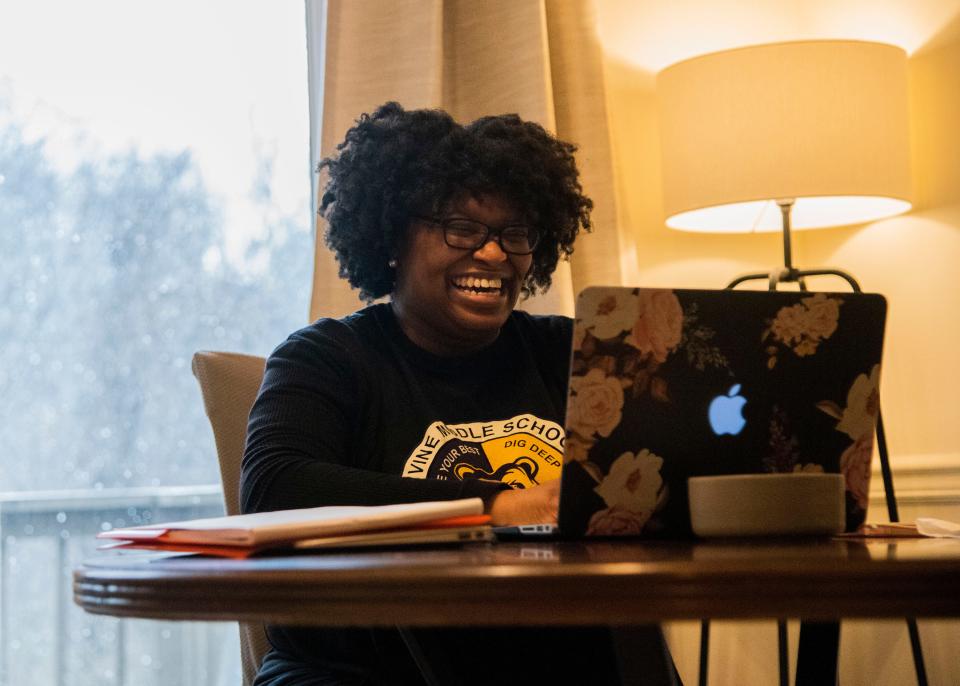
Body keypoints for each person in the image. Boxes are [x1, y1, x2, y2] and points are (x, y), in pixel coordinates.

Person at [241, 102, 628, 685]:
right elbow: (277, 489)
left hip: (556, 660)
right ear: (393, 238)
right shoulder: (325, 358)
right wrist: (496, 507)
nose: (494, 254)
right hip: (360, 670)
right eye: (462, 229)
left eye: (514, 233)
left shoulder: (572, 353)